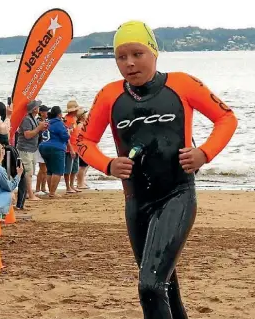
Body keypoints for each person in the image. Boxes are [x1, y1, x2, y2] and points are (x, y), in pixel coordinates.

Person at [77, 20, 238, 318]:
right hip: (136, 202)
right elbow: (84, 140)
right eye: (121, 57)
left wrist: (204, 153)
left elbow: (226, 118)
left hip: (176, 194)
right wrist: (108, 165)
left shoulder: (183, 84)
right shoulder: (110, 95)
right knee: (165, 285)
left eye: (137, 53)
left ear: (154, 52)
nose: (129, 63)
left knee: (150, 285)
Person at [16, 100, 47, 202]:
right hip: (25, 149)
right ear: (34, 109)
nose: (39, 108)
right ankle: (30, 194)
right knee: (28, 172)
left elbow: (35, 131)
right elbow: (27, 134)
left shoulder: (32, 119)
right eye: (38, 106)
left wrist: (42, 127)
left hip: (31, 149)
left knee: (30, 171)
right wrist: (39, 128)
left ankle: (28, 193)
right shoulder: (26, 119)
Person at [39, 106, 70, 198]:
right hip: (56, 147)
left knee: (50, 170)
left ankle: (51, 191)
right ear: (59, 114)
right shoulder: (59, 123)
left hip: (43, 146)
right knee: (58, 171)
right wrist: (68, 132)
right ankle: (52, 192)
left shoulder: (47, 122)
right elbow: (65, 137)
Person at [63, 100, 81, 193]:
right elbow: (67, 136)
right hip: (70, 148)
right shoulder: (68, 120)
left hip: (75, 146)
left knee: (74, 168)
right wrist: (70, 149)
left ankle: (71, 185)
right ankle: (68, 186)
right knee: (68, 168)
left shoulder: (73, 119)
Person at [35, 104, 50, 194]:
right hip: (39, 146)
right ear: (41, 113)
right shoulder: (38, 121)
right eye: (45, 111)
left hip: (46, 146)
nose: (47, 113)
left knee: (45, 169)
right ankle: (38, 188)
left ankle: (43, 188)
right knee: (42, 168)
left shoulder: (47, 121)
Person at [74, 108, 90, 189]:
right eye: (85, 114)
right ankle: (80, 183)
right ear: (82, 116)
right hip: (82, 147)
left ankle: (81, 181)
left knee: (85, 165)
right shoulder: (80, 125)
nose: (86, 116)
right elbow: (80, 137)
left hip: (83, 147)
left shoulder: (80, 124)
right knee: (83, 166)